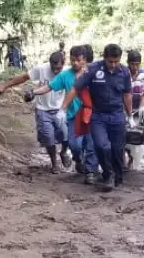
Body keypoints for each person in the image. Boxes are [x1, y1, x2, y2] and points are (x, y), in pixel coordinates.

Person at [62, 43, 132, 191]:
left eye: (116, 61)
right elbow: (76, 88)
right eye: (110, 61)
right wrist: (62, 109)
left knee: (117, 149)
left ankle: (117, 176)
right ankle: (108, 175)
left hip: (117, 114)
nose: (113, 65)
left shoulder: (124, 72)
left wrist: (130, 115)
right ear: (104, 58)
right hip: (98, 115)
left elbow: (127, 95)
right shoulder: (93, 69)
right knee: (101, 145)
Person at [0, 51, 71, 173]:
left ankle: (63, 152)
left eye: (59, 68)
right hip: (43, 109)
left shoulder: (67, 72)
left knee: (66, 135)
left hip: (60, 109)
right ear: (50, 63)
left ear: (63, 64)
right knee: (48, 138)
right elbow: (24, 77)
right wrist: (5, 85)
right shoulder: (41, 69)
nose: (56, 71)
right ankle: (54, 163)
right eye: (53, 67)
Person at [33, 45, 99, 181]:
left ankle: (91, 172)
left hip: (91, 115)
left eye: (78, 60)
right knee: (75, 146)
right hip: (72, 117)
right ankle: (78, 159)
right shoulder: (65, 75)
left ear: (84, 60)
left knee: (91, 144)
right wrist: (33, 92)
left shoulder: (93, 73)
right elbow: (49, 87)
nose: (75, 63)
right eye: (72, 60)